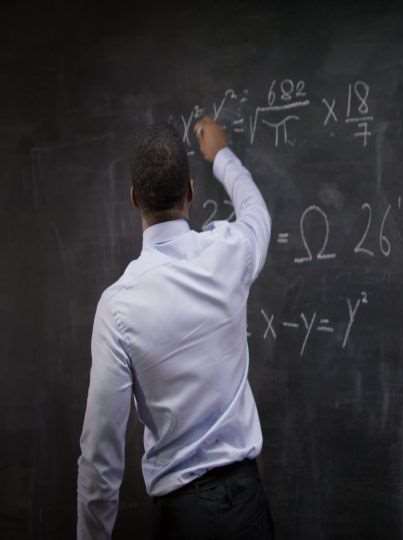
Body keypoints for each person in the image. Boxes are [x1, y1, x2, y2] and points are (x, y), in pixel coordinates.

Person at [76, 117, 274, 539]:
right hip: (249, 507)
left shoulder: (118, 306)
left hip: (185, 518)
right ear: (191, 191)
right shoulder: (230, 251)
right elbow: (257, 213)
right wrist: (221, 155)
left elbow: (100, 457)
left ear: (134, 198)